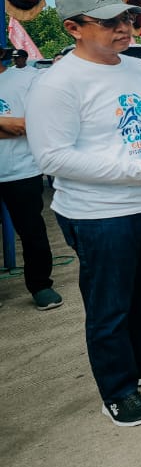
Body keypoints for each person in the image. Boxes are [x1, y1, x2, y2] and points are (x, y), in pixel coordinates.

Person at [26, 0, 141, 427]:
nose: (124, 28)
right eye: (109, 22)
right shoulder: (57, 85)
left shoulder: (139, 69)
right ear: (73, 27)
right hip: (99, 216)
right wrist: (140, 169)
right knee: (110, 306)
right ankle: (118, 389)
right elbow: (53, 157)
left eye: (128, 18)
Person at [0, 48, 62, 311]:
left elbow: (33, 123)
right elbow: (16, 126)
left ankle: (40, 285)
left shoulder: (26, 80)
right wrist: (9, 125)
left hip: (21, 170)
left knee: (32, 232)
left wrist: (20, 125)